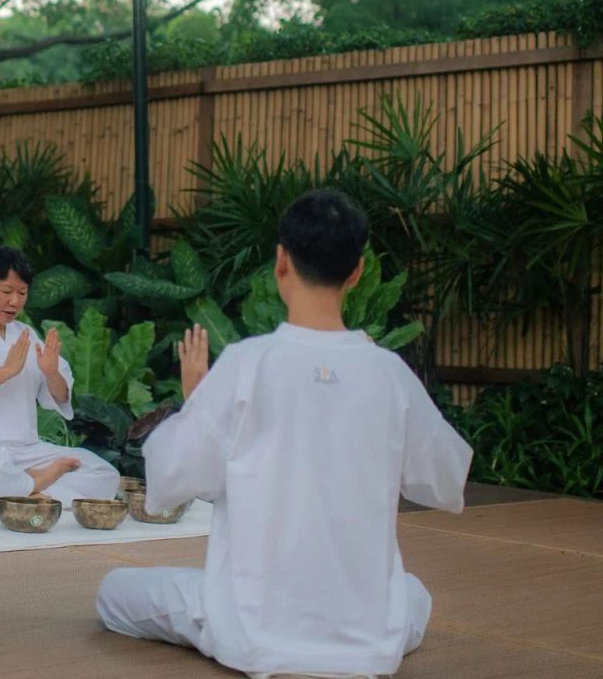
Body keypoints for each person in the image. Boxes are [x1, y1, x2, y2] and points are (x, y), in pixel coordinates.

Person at [95, 189, 472, 679]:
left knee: (113, 593)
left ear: (281, 262)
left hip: (253, 631)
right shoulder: (388, 372)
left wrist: (197, 403)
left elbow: (171, 476)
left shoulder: (246, 364)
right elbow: (444, 479)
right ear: (356, 272)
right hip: (367, 640)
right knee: (412, 593)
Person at [0, 246, 119, 505]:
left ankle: (21, 491)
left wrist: (51, 373)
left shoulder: (25, 334)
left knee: (103, 473)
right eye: (6, 291)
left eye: (22, 293)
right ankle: (36, 485)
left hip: (25, 451)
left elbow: (60, 396)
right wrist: (6, 371)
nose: (15, 301)